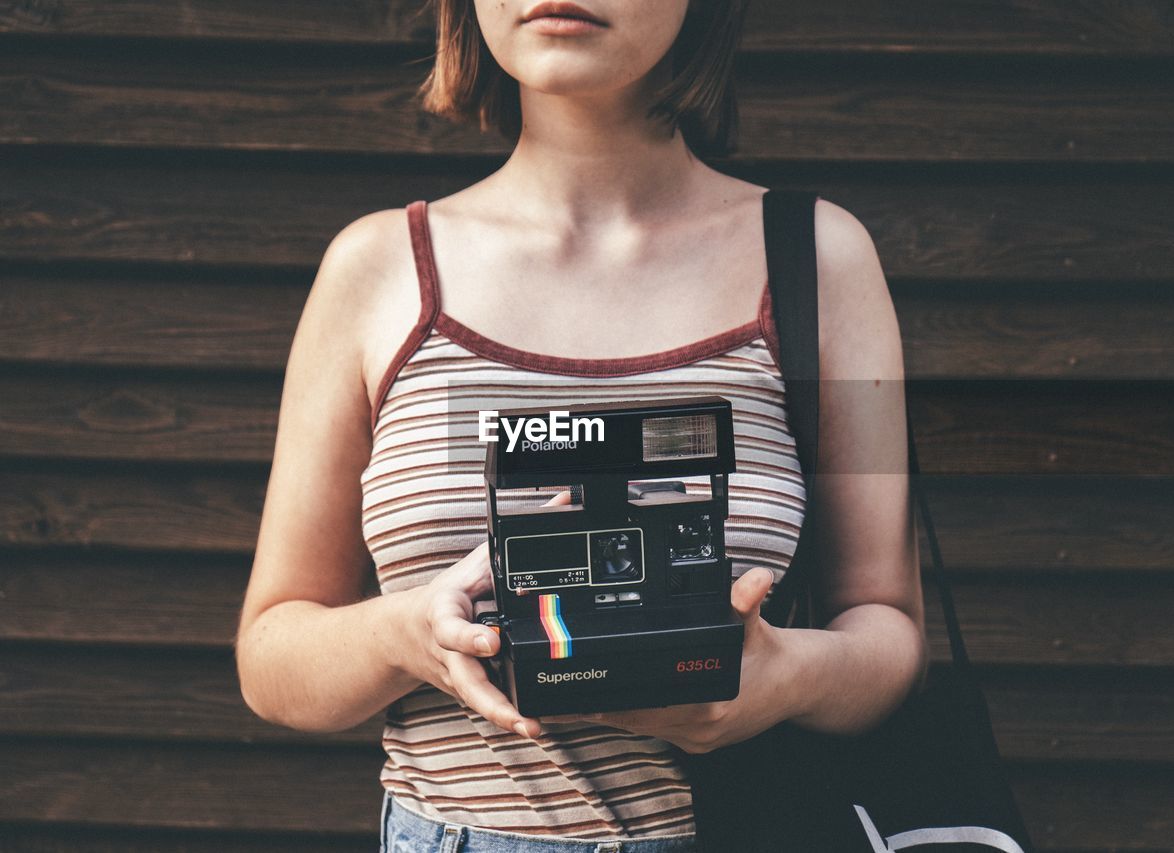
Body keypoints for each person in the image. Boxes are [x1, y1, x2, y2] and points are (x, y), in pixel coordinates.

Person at [235, 1, 927, 850]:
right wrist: (403, 631)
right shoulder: (376, 272)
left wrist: (785, 680)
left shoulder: (821, 262)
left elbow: (888, 627)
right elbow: (271, 655)